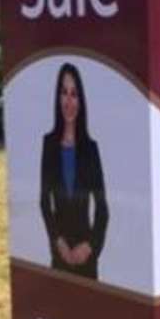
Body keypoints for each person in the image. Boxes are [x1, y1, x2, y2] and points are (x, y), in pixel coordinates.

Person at [39, 63, 109, 279]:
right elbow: (43, 201)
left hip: (85, 256)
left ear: (81, 101)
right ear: (57, 98)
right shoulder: (49, 144)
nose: (68, 101)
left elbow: (102, 209)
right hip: (59, 254)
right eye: (64, 93)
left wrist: (90, 247)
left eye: (74, 94)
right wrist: (57, 241)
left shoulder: (91, 148)